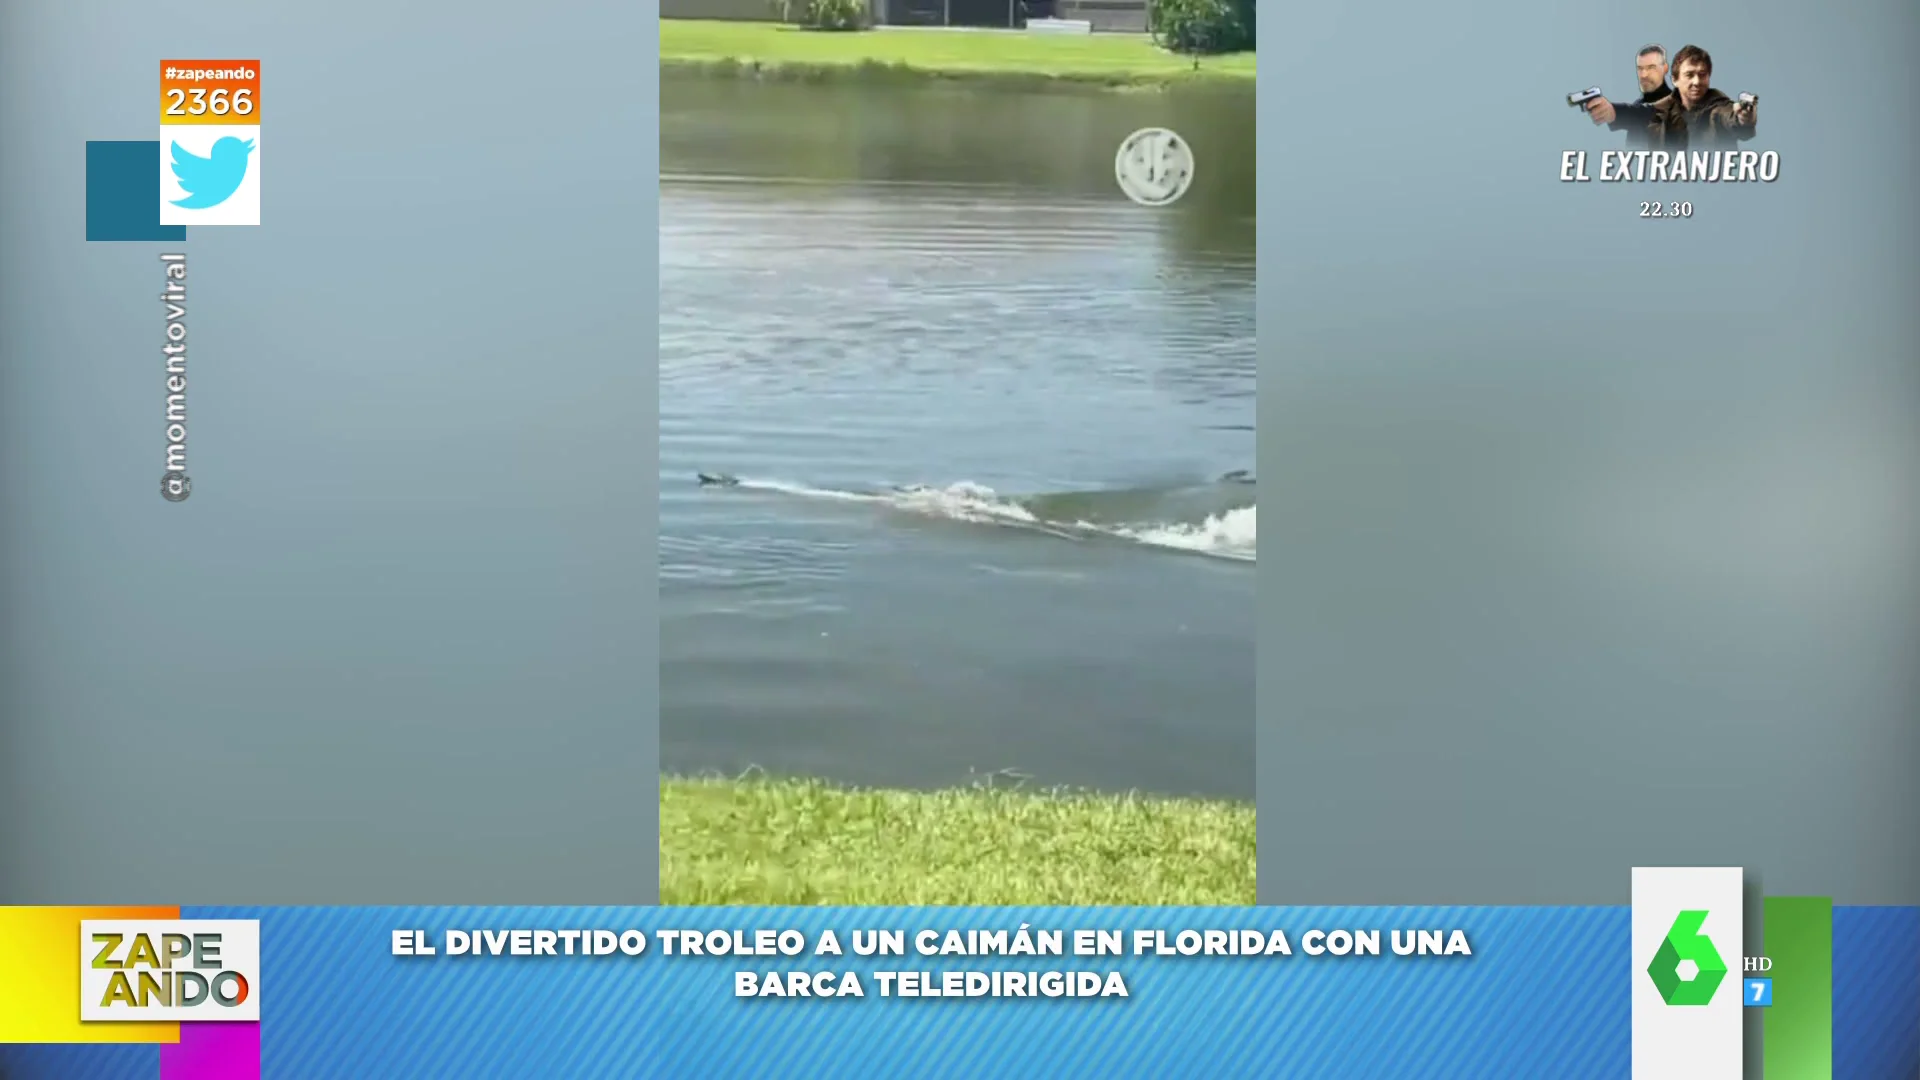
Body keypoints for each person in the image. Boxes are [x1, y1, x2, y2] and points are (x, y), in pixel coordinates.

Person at [1585, 44, 1757, 151]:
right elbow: (1637, 114)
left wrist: (1744, 118)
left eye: (1702, 74)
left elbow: (1731, 117)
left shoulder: (1720, 106)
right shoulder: (1662, 108)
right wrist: (1612, 111)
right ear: (1675, 79)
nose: (1697, 81)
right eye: (1689, 75)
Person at [1587, 45, 1674, 148]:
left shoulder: (1677, 103)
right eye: (1640, 68)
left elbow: (1646, 114)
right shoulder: (1638, 104)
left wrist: (1614, 111)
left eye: (1651, 68)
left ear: (1665, 68)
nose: (1643, 75)